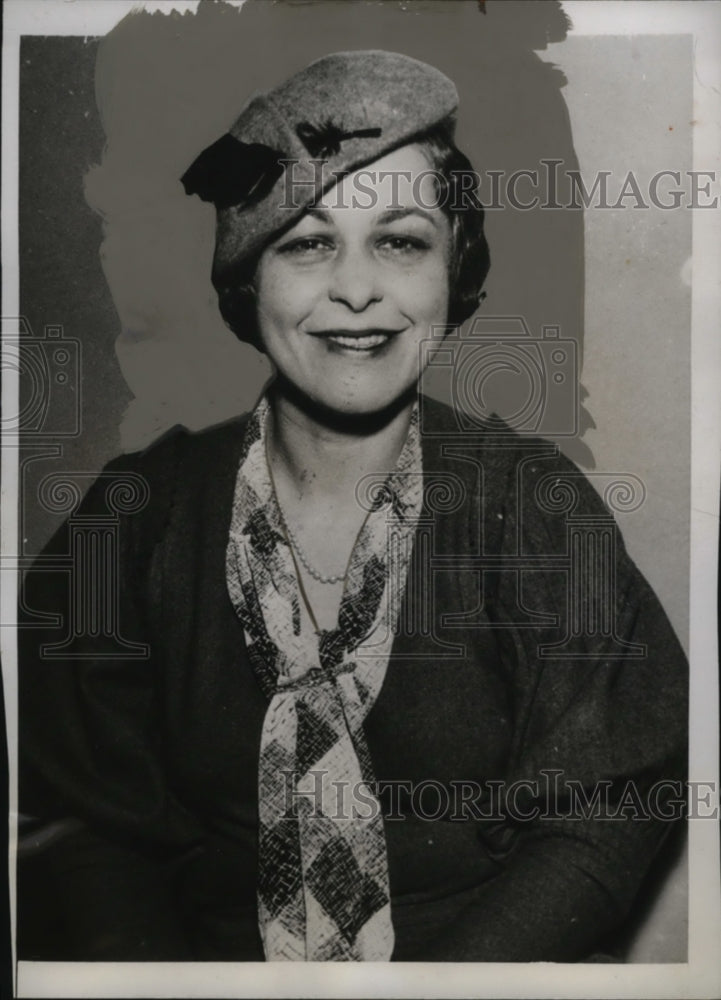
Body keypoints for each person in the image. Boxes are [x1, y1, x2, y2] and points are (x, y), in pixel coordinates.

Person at [18, 50, 687, 963]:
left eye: (401, 241)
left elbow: (605, 813)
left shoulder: (532, 506)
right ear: (248, 281)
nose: (357, 289)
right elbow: (88, 831)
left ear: (454, 271)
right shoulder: (130, 520)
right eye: (306, 241)